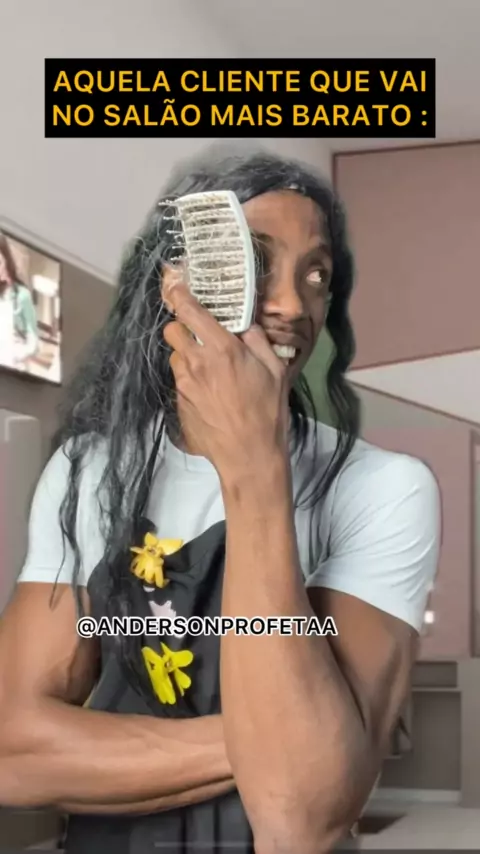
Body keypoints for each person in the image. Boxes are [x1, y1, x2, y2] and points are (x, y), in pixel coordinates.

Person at [0, 147, 440, 854]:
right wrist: (282, 749)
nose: (293, 304)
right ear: (176, 283)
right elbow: (13, 751)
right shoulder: (89, 470)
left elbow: (302, 820)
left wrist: (256, 468)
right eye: (255, 261)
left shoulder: (383, 488)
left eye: (316, 275)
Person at [0, 233, 39, 369]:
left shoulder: (22, 295)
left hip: (13, 365)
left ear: (6, 260)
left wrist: (15, 355)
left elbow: (33, 343)